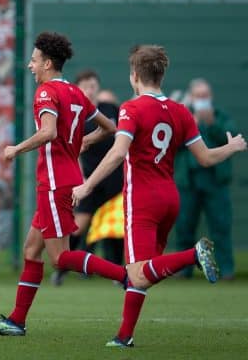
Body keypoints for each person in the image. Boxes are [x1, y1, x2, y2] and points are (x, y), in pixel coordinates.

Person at [72, 45, 246, 347]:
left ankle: (194, 255)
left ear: (134, 75)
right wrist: (231, 148)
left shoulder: (132, 108)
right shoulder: (180, 111)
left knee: (136, 272)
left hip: (142, 199)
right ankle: (124, 337)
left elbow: (118, 153)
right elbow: (204, 157)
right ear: (162, 74)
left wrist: (86, 186)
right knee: (144, 273)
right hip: (170, 199)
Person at [0, 31, 129, 337]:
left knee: (60, 257)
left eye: (34, 61)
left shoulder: (46, 93)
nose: (30, 66)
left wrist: (15, 149)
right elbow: (110, 127)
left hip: (54, 183)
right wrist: (82, 142)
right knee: (31, 251)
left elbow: (48, 132)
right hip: (64, 179)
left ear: (48, 63)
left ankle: (127, 276)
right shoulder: (76, 92)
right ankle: (16, 321)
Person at [51, 70, 124, 286]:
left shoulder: (109, 109)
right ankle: (63, 268)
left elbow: (123, 131)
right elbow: (73, 149)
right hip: (88, 181)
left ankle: (118, 274)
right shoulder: (73, 114)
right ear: (76, 88)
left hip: (113, 178)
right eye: (85, 85)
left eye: (93, 85)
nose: (90, 89)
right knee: (79, 226)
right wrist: (79, 175)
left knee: (116, 227)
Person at [175, 78, 237, 279]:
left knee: (220, 225)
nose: (202, 100)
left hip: (214, 180)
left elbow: (232, 139)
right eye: (198, 96)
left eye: (205, 96)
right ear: (191, 97)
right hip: (188, 180)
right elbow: (171, 144)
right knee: (184, 225)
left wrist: (211, 123)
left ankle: (226, 269)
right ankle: (183, 270)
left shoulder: (220, 117)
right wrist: (188, 124)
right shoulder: (182, 117)